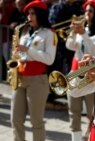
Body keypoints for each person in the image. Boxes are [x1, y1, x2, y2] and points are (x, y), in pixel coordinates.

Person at [10, 0, 57, 141]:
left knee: (36, 122)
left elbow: (50, 59)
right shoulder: (24, 32)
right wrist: (17, 58)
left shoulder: (49, 34)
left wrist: (28, 50)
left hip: (37, 80)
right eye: (28, 14)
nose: (29, 17)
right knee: (15, 120)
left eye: (32, 14)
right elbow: (20, 55)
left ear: (40, 15)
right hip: (20, 77)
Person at [66, 0, 95, 140]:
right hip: (75, 71)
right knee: (74, 110)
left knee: (92, 111)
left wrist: (84, 34)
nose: (86, 14)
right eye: (86, 11)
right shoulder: (82, 28)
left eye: (90, 11)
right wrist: (73, 33)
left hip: (92, 74)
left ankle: (91, 135)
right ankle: (76, 138)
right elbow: (70, 46)